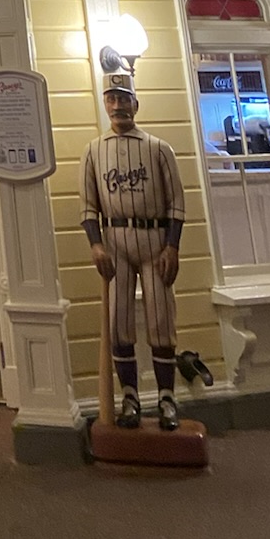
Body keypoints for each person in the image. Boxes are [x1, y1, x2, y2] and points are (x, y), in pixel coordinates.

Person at [81, 71, 185, 430]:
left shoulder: (158, 148)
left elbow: (176, 204)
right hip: (115, 242)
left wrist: (173, 246)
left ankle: (167, 399)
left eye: (124, 98)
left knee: (160, 321)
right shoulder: (94, 150)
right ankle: (130, 398)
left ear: (135, 104)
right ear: (105, 104)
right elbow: (88, 206)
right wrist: (95, 244)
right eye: (111, 98)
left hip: (154, 240)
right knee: (119, 322)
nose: (118, 105)